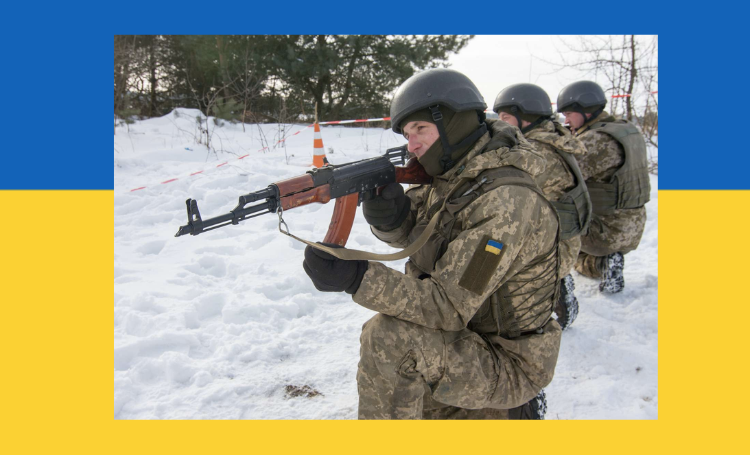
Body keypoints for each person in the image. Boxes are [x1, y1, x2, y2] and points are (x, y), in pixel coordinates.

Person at [302, 68, 562, 419]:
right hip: (466, 337)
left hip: (508, 361)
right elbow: (417, 239)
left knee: (390, 338)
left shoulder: (507, 202)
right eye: (408, 134)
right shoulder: (453, 175)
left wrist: (358, 278)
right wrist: (391, 219)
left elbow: (448, 307)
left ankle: (510, 410)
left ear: (455, 122)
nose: (411, 144)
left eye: (420, 129)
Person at [494, 83, 591, 330]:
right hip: (567, 240)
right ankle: (555, 283)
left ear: (526, 117)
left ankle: (540, 301)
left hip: (553, 250)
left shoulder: (534, 151)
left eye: (506, 118)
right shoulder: (556, 139)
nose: (500, 124)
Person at [557, 81, 650, 293]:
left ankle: (600, 265)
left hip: (606, 231)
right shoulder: (626, 130)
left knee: (558, 235)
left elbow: (561, 178)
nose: (566, 120)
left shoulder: (595, 140)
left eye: (569, 114)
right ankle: (603, 259)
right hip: (633, 225)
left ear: (586, 111)